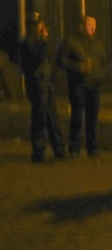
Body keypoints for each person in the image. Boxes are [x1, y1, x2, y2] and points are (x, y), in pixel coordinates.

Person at [57, 16, 107, 157]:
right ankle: (74, 147)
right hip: (77, 84)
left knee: (93, 117)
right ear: (81, 26)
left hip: (93, 85)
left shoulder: (97, 43)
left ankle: (93, 148)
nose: (92, 28)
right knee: (77, 116)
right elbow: (61, 60)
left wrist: (99, 76)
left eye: (94, 25)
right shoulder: (71, 41)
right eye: (89, 25)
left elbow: (103, 62)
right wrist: (78, 67)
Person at [18, 12, 65, 162]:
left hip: (47, 83)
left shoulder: (40, 41)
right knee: (39, 118)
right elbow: (37, 57)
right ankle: (39, 150)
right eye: (36, 25)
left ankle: (58, 148)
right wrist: (44, 41)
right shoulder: (27, 43)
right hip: (37, 84)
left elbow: (50, 59)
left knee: (53, 117)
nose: (39, 27)